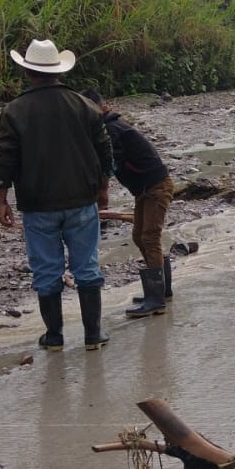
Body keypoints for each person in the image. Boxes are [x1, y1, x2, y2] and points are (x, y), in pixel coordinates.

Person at [0, 39, 115, 352]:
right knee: (86, 267)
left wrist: (1, 198)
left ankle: (55, 337)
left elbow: (6, 157)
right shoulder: (85, 106)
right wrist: (103, 189)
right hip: (81, 200)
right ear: (58, 71)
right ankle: (92, 335)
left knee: (46, 271)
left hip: (38, 204)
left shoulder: (14, 111)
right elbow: (105, 152)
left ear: (28, 72)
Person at [84, 90, 174, 319]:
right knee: (139, 236)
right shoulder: (109, 126)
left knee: (149, 237)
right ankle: (161, 290)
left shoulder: (111, 130)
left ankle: (156, 300)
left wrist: (97, 193)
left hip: (156, 186)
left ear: (99, 108)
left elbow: (108, 165)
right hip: (146, 188)